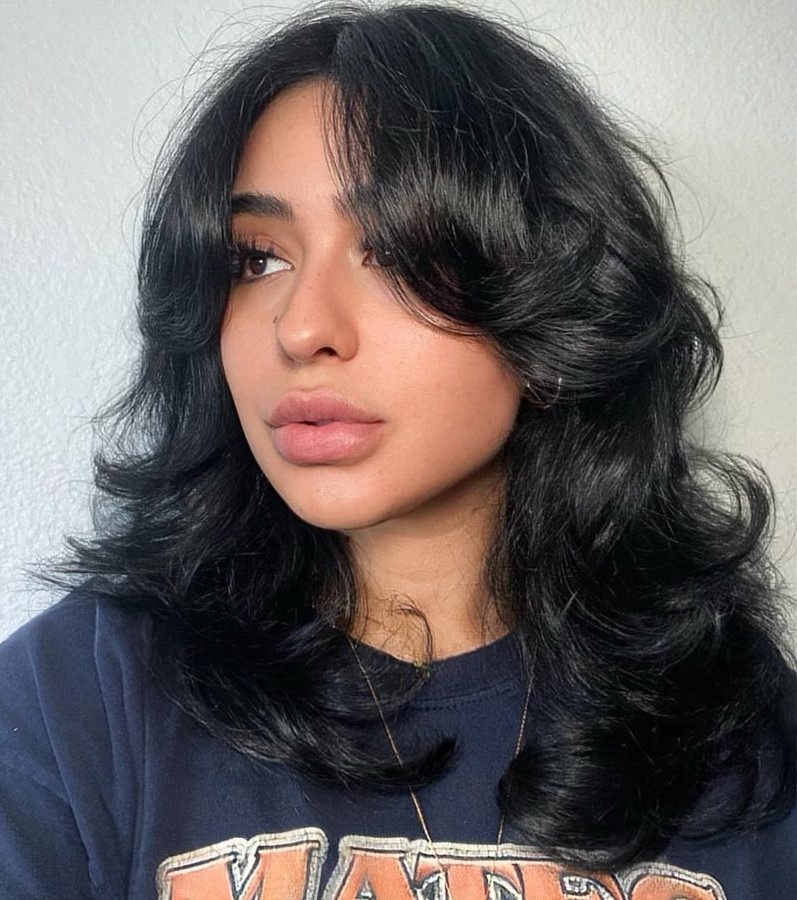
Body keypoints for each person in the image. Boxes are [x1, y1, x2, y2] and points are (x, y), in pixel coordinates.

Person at [0, 3, 794, 898]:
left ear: (554, 302)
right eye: (256, 258)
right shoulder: (80, 701)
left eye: (393, 251)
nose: (301, 327)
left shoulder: (732, 719)